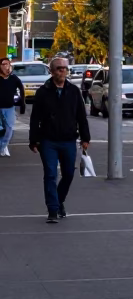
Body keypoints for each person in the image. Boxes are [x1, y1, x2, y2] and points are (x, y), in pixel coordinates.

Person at [28, 57, 89, 223]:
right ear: (52, 71)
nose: (63, 72)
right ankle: (53, 210)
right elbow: (35, 118)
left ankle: (59, 199)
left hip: (69, 139)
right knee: (50, 174)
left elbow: (81, 116)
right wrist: (33, 140)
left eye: (65, 69)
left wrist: (85, 137)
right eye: (59, 69)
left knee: (69, 173)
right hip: (48, 140)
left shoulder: (73, 91)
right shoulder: (43, 91)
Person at [0, 57, 25, 157]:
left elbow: (21, 89)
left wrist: (22, 103)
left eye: (8, 64)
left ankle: (2, 146)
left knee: (9, 129)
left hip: (9, 108)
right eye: (4, 64)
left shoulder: (14, 78)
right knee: (1, 128)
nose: (7, 66)